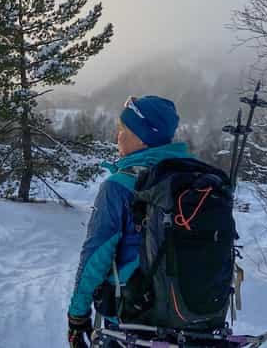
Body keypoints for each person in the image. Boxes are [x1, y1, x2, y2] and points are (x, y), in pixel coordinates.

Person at [67, 95, 192, 348]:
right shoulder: (192, 179)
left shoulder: (119, 186)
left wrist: (77, 314)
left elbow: (96, 255)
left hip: (134, 318)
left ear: (142, 137)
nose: (118, 137)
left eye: (123, 129)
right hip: (192, 314)